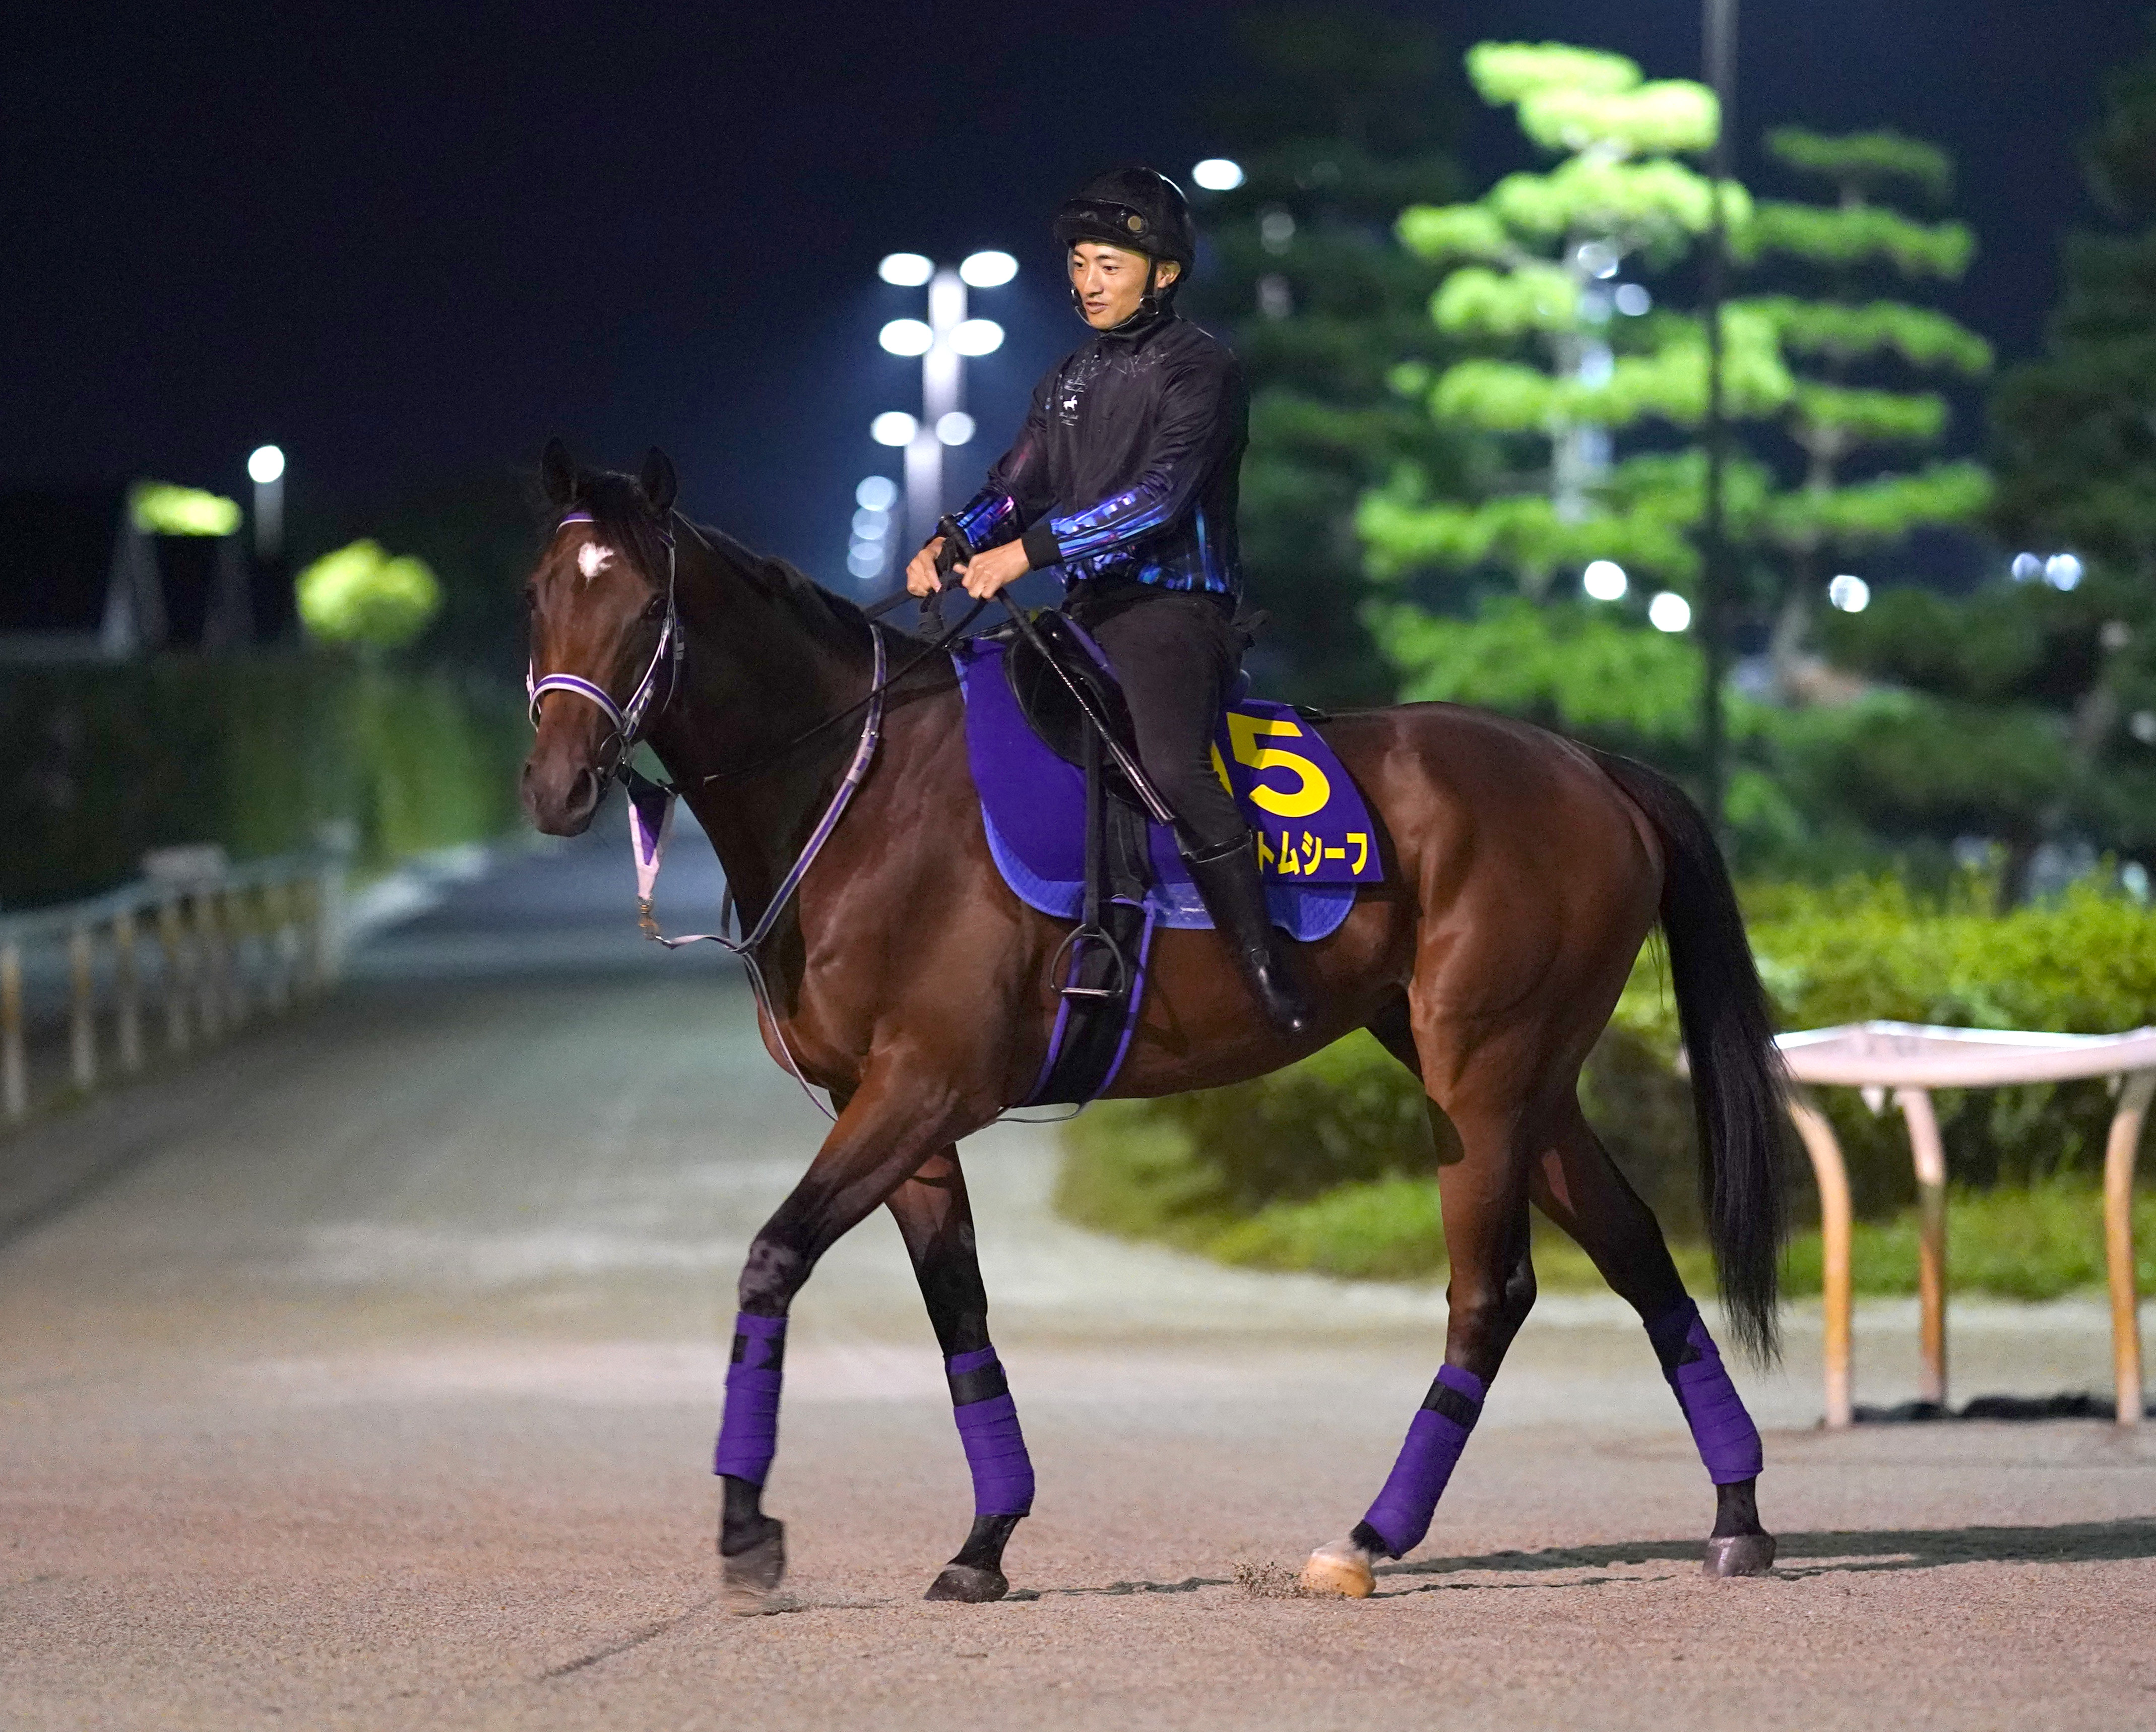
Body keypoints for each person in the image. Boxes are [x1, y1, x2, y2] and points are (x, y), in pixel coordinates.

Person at [907, 165, 1310, 1037]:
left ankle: (1263, 965)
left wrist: (1028, 552)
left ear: (1163, 273)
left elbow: (1159, 499)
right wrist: (957, 540)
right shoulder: (1067, 379)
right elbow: (1020, 483)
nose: (1088, 282)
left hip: (1175, 615)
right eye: (1081, 263)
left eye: (1110, 266)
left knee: (1172, 767)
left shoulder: (1204, 370)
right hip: (1088, 613)